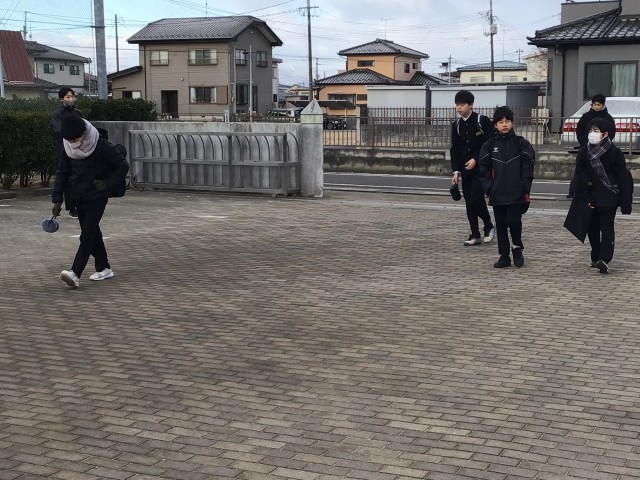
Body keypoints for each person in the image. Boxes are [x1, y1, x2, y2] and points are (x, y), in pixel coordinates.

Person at [51, 112, 129, 288]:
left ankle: (75, 273)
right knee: (93, 233)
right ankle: (104, 268)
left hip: (97, 196)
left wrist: (107, 184)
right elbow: (62, 172)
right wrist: (57, 199)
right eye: (69, 140)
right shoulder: (68, 147)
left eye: (75, 139)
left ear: (84, 133)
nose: (73, 143)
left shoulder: (101, 145)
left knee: (86, 235)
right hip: (78, 196)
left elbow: (122, 165)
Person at [479, 106, 535, 269]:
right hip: (497, 193)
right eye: (501, 122)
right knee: (501, 224)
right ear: (495, 125)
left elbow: (529, 165)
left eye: (507, 121)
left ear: (512, 123)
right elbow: (483, 169)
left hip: (516, 192)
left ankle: (517, 248)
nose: (504, 125)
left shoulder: (521, 143)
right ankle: (504, 256)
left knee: (514, 221)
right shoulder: (489, 145)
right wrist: (489, 188)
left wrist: (525, 186)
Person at [573, 117, 631, 274]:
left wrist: (626, 202)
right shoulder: (584, 151)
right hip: (590, 195)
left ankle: (605, 259)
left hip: (609, 196)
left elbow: (622, 177)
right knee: (592, 227)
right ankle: (596, 255)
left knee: (607, 227)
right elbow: (579, 170)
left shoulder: (615, 152)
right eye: (591, 130)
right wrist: (586, 182)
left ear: (605, 134)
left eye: (596, 130)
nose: (592, 133)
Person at [450, 90, 495, 246]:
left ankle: (489, 225)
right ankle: (475, 234)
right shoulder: (456, 125)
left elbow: (489, 143)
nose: (459, 108)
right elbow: (455, 149)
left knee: (476, 199)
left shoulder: (482, 120)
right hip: (465, 169)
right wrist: (456, 171)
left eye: (462, 105)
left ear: (470, 105)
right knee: (469, 202)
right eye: (457, 105)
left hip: (481, 169)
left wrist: (476, 159)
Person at [567, 94, 616, 198]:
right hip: (586, 146)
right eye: (595, 105)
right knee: (581, 169)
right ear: (592, 105)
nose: (597, 107)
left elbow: (611, 132)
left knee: (602, 169)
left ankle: (604, 189)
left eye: (599, 105)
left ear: (603, 105)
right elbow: (579, 130)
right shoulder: (586, 117)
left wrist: (604, 142)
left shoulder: (607, 118)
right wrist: (584, 142)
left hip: (602, 149)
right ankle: (574, 191)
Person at [51, 87, 84, 218]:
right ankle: (71, 207)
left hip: (79, 148)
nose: (70, 99)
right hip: (64, 149)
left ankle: (80, 204)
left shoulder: (78, 113)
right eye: (67, 97)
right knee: (67, 178)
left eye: (72, 96)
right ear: (61, 99)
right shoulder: (57, 114)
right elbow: (59, 132)